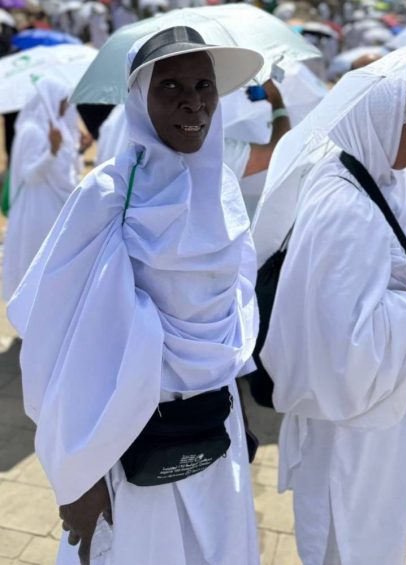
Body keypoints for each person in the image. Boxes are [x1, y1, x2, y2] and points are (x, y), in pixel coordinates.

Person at [7, 26, 263, 565]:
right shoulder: (107, 194)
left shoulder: (222, 191)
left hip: (214, 436)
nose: (192, 102)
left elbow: (232, 316)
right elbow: (59, 344)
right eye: (170, 86)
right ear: (140, 99)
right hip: (129, 443)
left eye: (203, 85)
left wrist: (238, 408)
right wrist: (77, 477)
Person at [259, 75, 406, 564]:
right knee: (349, 537)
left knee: (375, 529)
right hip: (351, 419)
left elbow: (397, 258)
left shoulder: (377, 179)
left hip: (380, 405)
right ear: (379, 128)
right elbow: (350, 347)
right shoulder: (346, 209)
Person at [2, 78, 81, 302]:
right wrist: (52, 152)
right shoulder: (32, 131)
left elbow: (65, 169)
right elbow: (30, 175)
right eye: (63, 101)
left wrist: (76, 149)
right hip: (35, 209)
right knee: (35, 262)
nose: (66, 106)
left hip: (51, 206)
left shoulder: (53, 127)